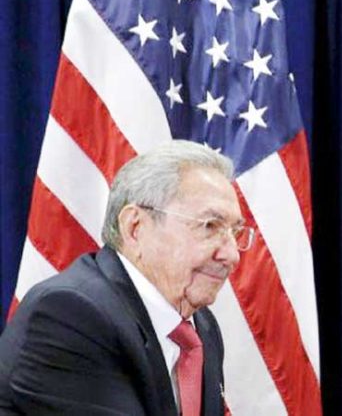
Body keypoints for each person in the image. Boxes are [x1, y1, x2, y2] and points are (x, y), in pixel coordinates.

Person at [0, 140, 253, 415]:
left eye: (235, 233)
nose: (231, 255)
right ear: (135, 227)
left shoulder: (200, 326)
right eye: (210, 226)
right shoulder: (71, 314)